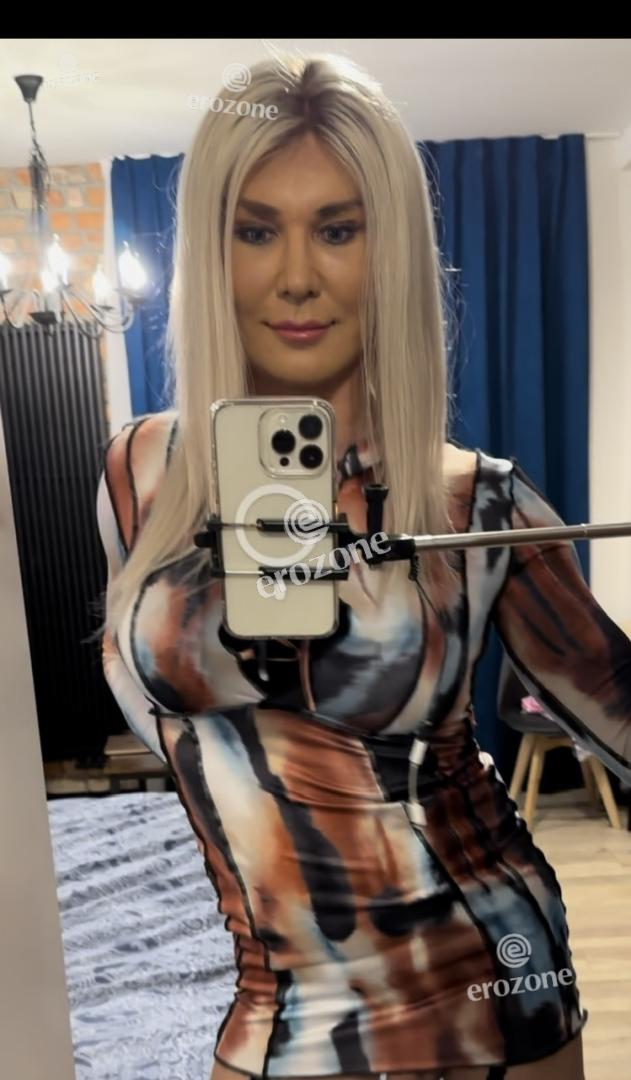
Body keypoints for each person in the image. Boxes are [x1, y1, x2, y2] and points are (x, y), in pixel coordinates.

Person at [95, 53, 631, 1080]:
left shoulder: (475, 504)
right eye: (256, 230)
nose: (297, 276)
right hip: (271, 997)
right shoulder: (137, 475)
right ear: (210, 247)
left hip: (483, 982)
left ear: (390, 254)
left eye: (339, 229)